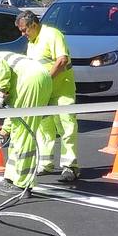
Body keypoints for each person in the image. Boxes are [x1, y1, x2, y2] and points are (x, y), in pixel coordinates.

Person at [0, 51, 60, 194]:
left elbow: (0, 65)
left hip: (31, 81)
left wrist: (1, 92)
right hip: (41, 79)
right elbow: (13, 111)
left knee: (24, 134)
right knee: (19, 131)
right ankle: (11, 178)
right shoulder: (13, 77)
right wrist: (4, 131)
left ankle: (22, 184)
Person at [16, 11, 79, 182]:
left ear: (33, 25)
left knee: (66, 125)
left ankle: (70, 166)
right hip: (45, 91)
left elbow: (62, 60)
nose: (23, 35)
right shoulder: (32, 42)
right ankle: (45, 163)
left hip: (61, 89)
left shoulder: (52, 34)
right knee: (44, 127)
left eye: (24, 30)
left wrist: (46, 80)